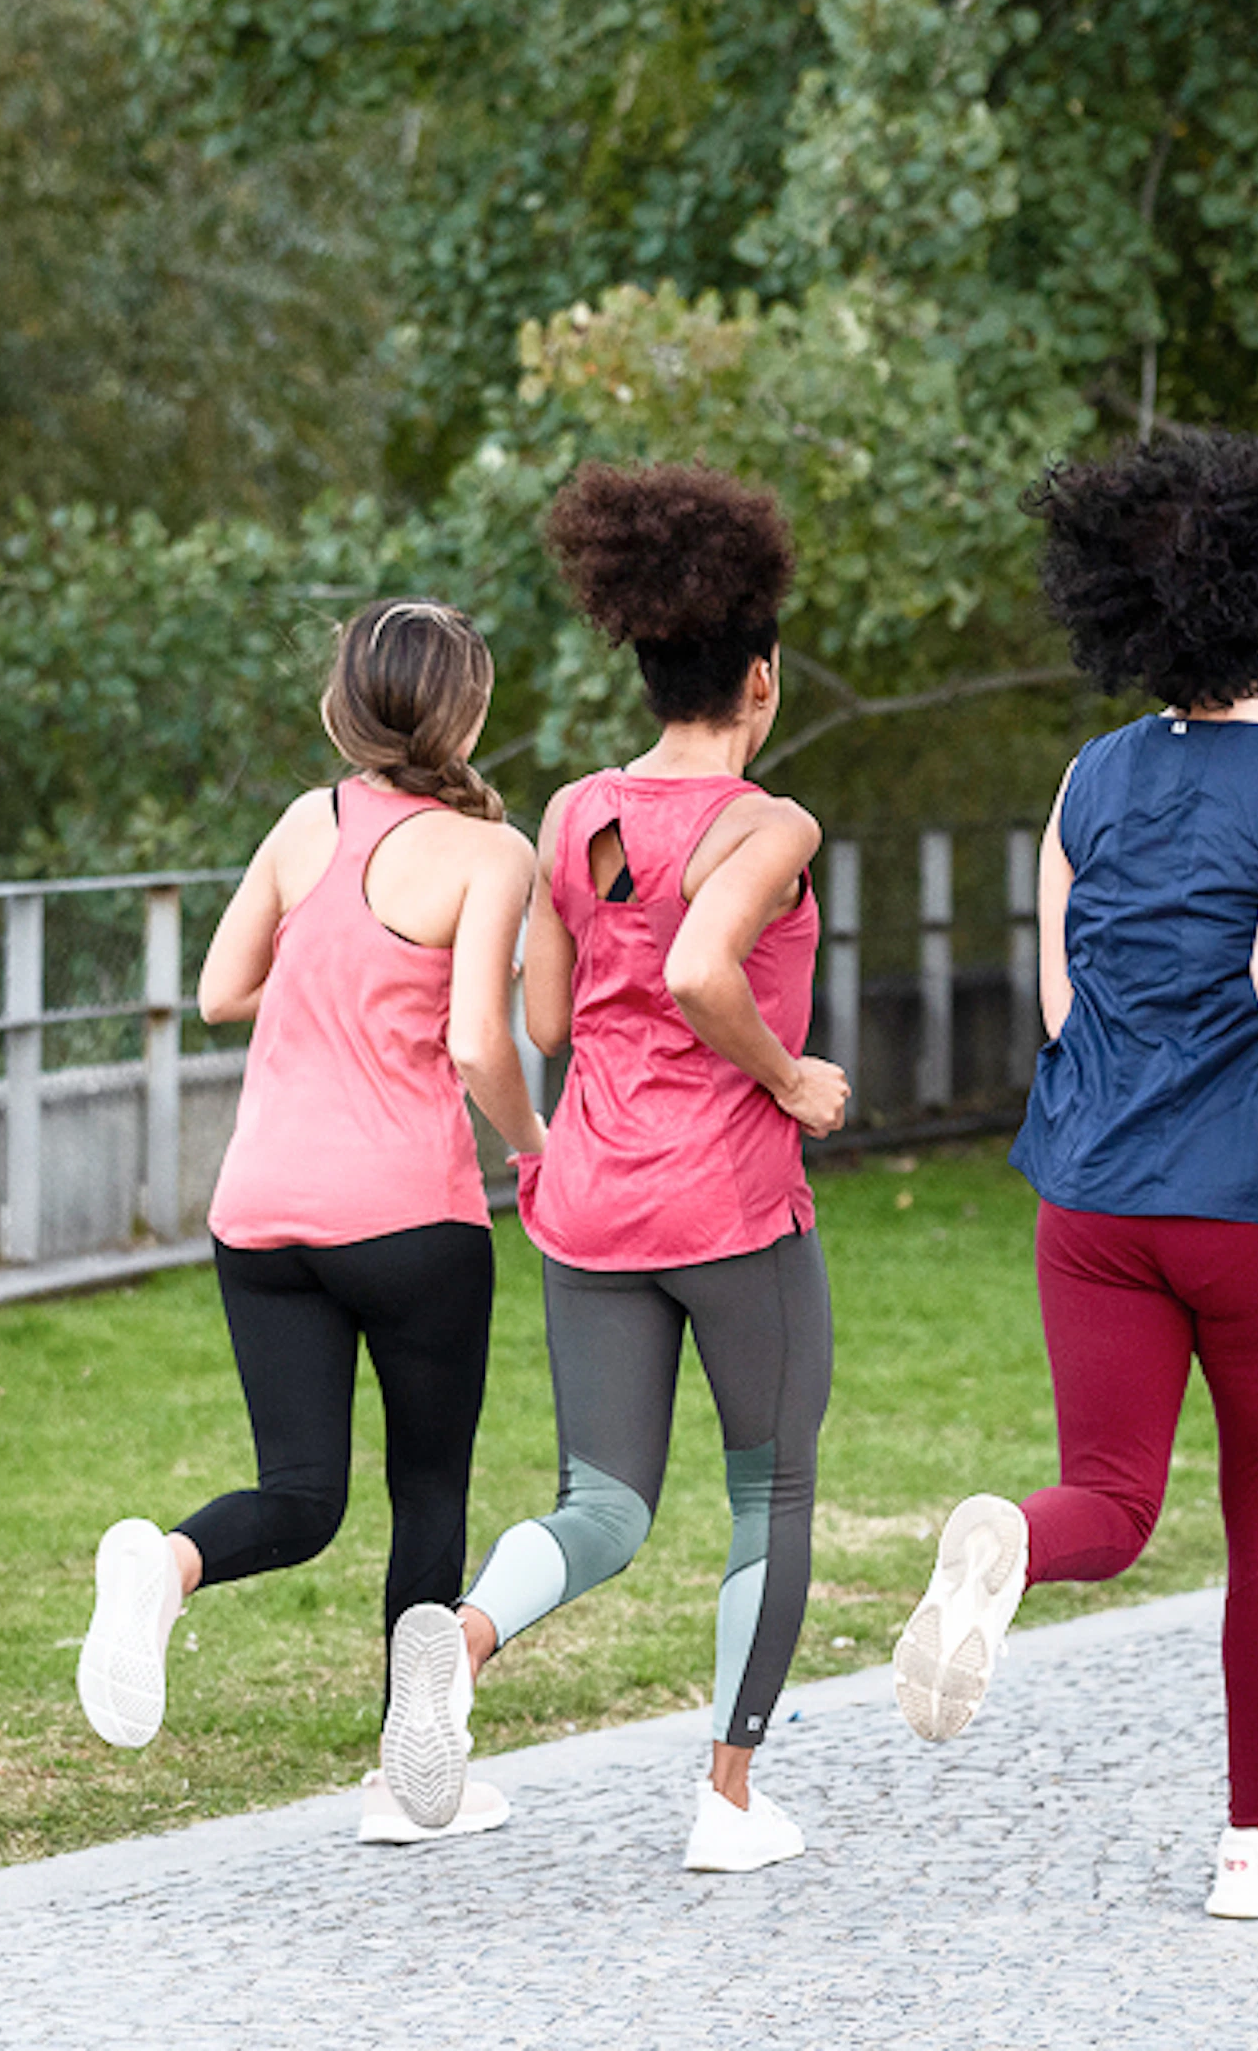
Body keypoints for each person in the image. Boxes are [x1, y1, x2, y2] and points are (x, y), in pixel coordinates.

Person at [895, 427, 1258, 1920]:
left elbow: (1068, 1003)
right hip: (1255, 1207)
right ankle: (1253, 1850)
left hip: (1092, 1198)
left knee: (1112, 1503)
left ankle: (1007, 1535)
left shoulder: (1086, 778)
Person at [75, 597, 546, 1848]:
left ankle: (163, 1569)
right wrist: (532, 1149)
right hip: (408, 1217)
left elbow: (220, 989)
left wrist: (328, 954)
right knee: (427, 1490)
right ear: (469, 709)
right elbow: (475, 1042)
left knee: (300, 1493)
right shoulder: (493, 855)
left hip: (263, 1213)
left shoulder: (303, 825)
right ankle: (407, 1782)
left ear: (346, 704)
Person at [440, 460, 850, 1873]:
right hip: (733, 1207)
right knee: (773, 1496)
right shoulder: (771, 825)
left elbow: (548, 1022)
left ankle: (469, 1640)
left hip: (588, 1195)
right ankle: (729, 1801)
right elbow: (696, 966)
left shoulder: (573, 816)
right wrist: (791, 1078)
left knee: (602, 1506)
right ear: (760, 680)